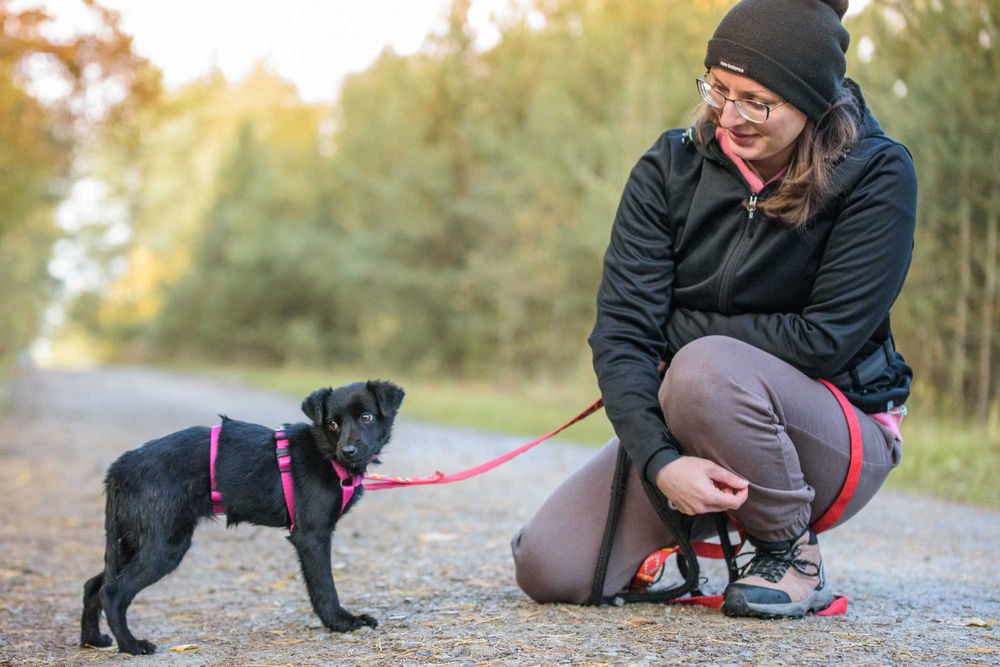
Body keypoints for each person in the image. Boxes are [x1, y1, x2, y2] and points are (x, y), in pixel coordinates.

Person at [511, 0, 916, 619]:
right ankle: (674, 531)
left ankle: (791, 552)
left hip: (835, 433)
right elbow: (622, 335)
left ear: (811, 100)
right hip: (692, 414)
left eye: (758, 100)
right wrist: (661, 460)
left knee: (702, 368)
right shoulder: (668, 166)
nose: (730, 116)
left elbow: (822, 340)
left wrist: (673, 330)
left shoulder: (876, 173)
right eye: (718, 89)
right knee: (549, 566)